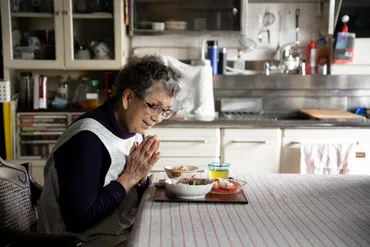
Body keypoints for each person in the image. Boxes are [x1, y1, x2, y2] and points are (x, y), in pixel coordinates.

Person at [37, 55, 182, 247]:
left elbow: (125, 192)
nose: (158, 118)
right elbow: (78, 220)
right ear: (128, 98)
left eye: (165, 111)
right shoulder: (87, 139)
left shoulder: (134, 129)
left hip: (120, 234)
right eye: (154, 106)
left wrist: (140, 180)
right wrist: (130, 177)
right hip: (80, 242)